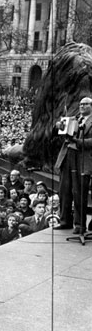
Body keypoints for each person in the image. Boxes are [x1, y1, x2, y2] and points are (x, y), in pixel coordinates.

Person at [55, 96, 92, 234]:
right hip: (67, 156)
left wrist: (77, 141)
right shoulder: (74, 118)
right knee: (64, 190)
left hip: (82, 159)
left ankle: (79, 224)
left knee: (79, 192)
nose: (81, 107)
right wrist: (59, 126)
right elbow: (60, 130)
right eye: (81, 104)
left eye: (85, 104)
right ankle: (65, 221)